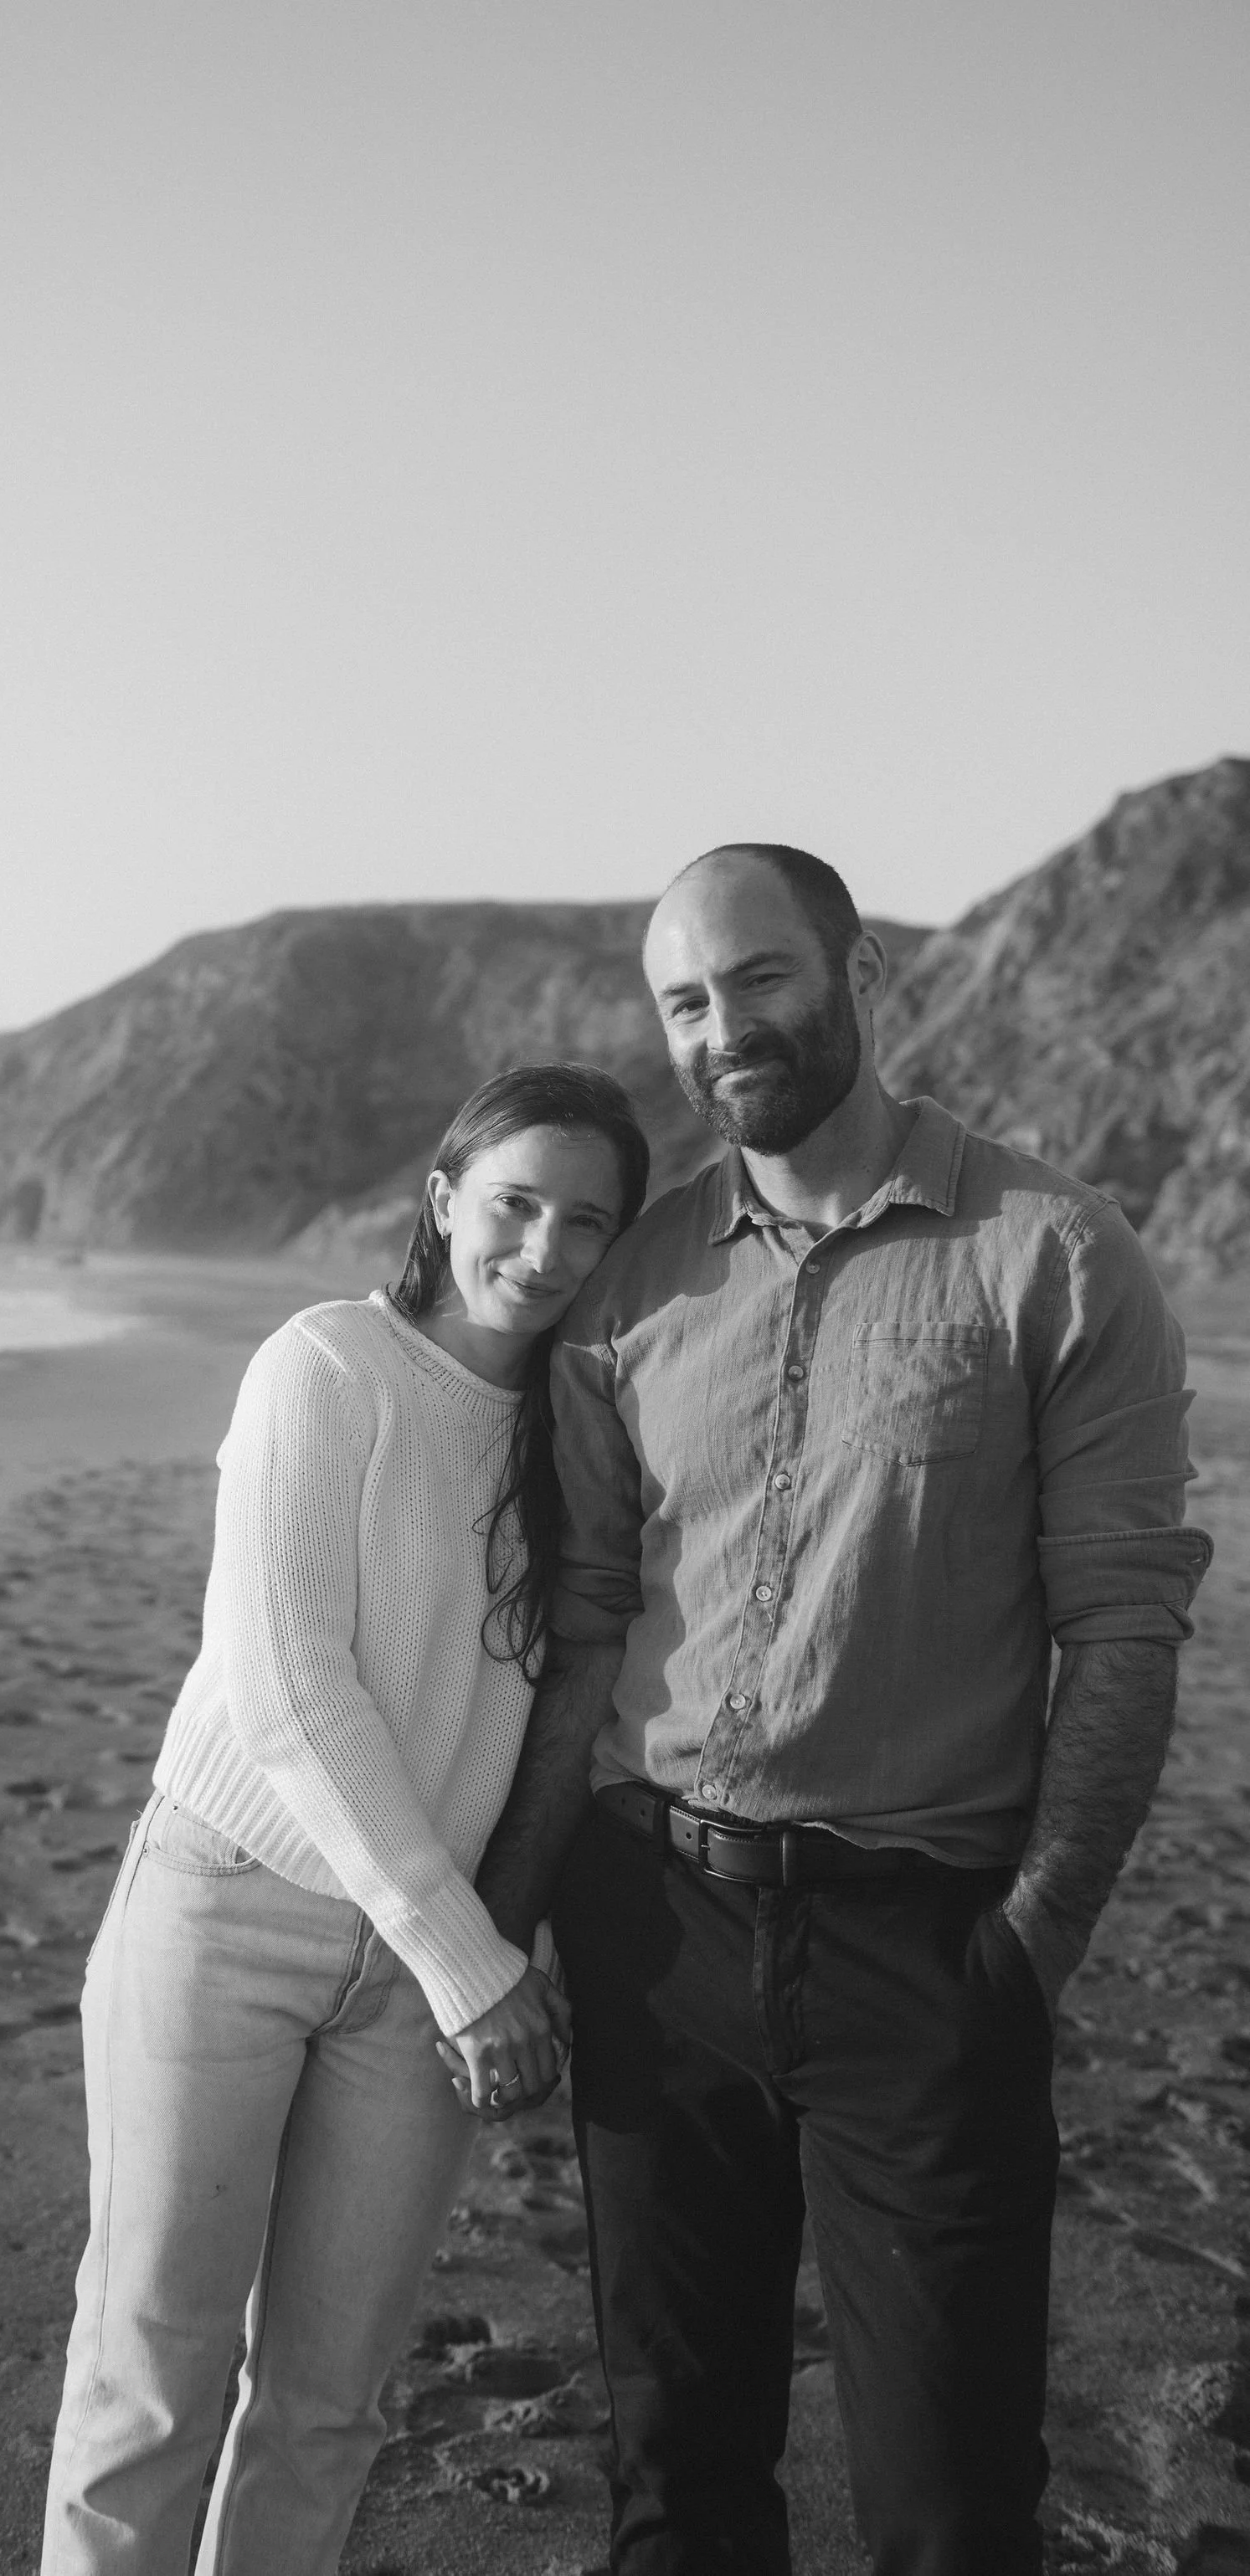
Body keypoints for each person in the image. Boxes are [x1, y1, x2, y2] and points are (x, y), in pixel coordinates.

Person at [465, 846, 1213, 2576]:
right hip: (652, 1931)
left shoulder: (1054, 1254)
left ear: (858, 969)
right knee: (675, 2476)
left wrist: (1028, 1945)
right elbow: (582, 1624)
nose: (724, 1029)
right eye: (683, 1002)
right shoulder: (630, 1280)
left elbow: (1122, 1624)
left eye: (760, 979)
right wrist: (507, 1918)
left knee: (951, 2508)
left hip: (929, 1951)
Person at [40, 1061, 651, 2576]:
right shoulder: (326, 1367)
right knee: (151, 2370)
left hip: (423, 1973)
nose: (546, 1250)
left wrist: (462, 1947)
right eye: (516, 1204)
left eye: (589, 1221)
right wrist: (474, 1961)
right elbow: (291, 1690)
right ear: (444, 1201)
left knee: (329, 2406)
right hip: (228, 1912)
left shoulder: (584, 1436)